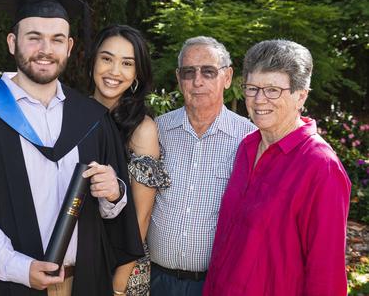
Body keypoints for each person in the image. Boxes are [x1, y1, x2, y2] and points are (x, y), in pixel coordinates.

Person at [0, 0, 143, 296]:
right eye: (34, 37)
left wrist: (114, 193)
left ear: (69, 47)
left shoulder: (92, 119)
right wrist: (19, 268)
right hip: (9, 284)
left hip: (83, 284)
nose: (45, 50)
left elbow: (112, 217)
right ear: (12, 42)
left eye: (56, 39)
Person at [203, 39, 351, 295]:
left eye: (273, 90)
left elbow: (326, 276)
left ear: (300, 95)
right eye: (252, 88)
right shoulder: (247, 147)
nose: (259, 100)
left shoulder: (321, 166)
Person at [147, 36, 256, 295]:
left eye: (208, 71)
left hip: (215, 283)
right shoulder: (156, 131)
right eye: (188, 72)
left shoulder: (249, 139)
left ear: (227, 77)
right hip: (155, 279)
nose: (198, 81)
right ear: (178, 78)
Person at [85, 24, 170, 296]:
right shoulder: (72, 112)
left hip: (123, 265)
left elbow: (141, 216)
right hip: (80, 257)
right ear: (93, 62)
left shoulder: (141, 129)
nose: (114, 71)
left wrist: (118, 286)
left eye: (127, 63)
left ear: (136, 74)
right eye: (107, 58)